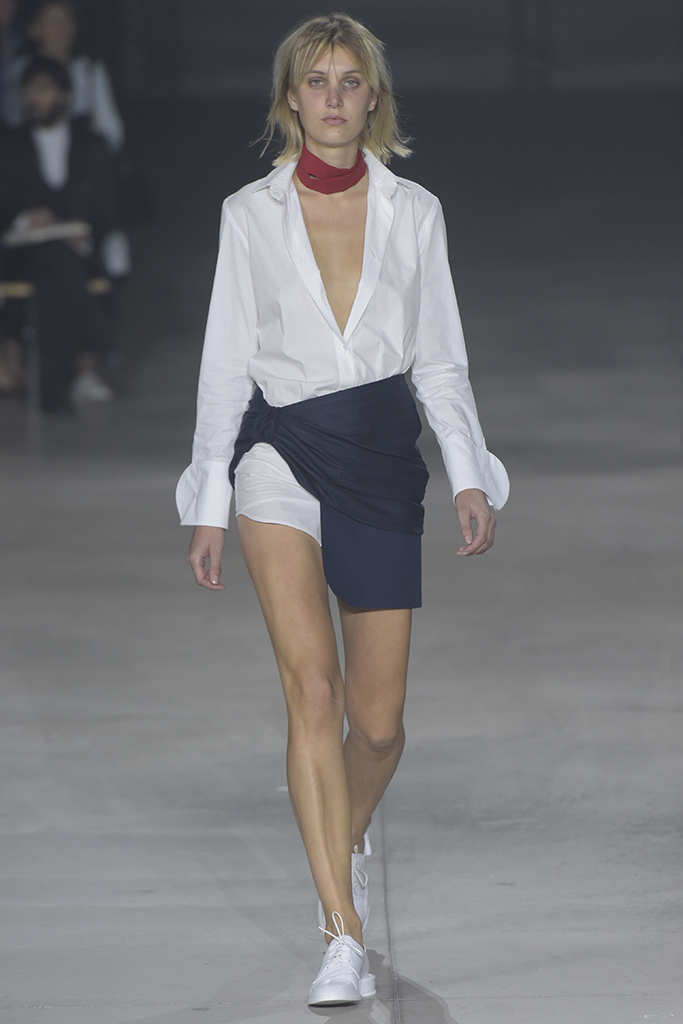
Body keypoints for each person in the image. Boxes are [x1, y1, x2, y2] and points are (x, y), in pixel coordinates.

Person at [176, 13, 509, 1008]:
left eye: (348, 81)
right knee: (311, 694)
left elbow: (439, 358)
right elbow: (225, 361)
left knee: (378, 725)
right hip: (276, 453)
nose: (331, 97)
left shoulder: (415, 211)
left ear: (373, 99)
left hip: (377, 456)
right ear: (290, 98)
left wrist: (466, 471)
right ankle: (339, 930)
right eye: (314, 80)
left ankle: (342, 832)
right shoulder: (249, 213)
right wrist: (208, 495)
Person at [0, 56, 118, 411]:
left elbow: (108, 205)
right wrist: (24, 219)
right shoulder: (10, 146)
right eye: (28, 92)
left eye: (42, 90)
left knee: (59, 268)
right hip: (23, 253)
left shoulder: (90, 145)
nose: (33, 99)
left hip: (77, 250)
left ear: (65, 95)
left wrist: (84, 231)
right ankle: (90, 352)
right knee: (58, 265)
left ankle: (49, 385)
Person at [4, 0, 130, 278]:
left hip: (80, 186)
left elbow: (110, 132)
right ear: (35, 29)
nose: (61, 28)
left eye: (67, 20)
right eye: (53, 21)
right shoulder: (17, 73)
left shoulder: (88, 70)